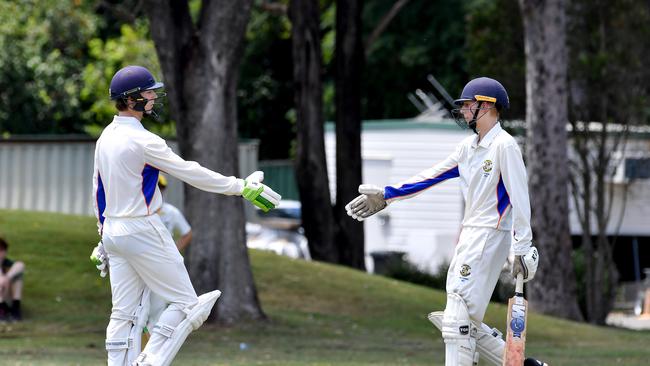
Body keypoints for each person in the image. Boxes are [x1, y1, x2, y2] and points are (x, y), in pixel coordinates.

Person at [345, 77, 547, 366]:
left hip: (491, 233)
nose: (464, 110)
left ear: (487, 106)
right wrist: (387, 196)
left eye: (468, 104)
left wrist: (523, 246)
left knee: (457, 316)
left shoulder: (505, 146)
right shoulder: (468, 148)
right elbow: (432, 175)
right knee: (462, 320)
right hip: (470, 233)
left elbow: (520, 198)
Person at [91, 65, 280, 366]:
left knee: (123, 312)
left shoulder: (106, 137)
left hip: (114, 232)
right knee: (188, 304)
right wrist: (240, 187)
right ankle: (150, 360)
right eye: (148, 92)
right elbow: (190, 172)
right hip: (142, 228)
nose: (153, 97)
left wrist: (103, 235)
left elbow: (98, 188)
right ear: (131, 99)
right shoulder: (144, 141)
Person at [156, 174, 192, 252]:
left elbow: (188, 233)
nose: (157, 191)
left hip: (162, 258)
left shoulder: (171, 211)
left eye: (160, 187)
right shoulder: (137, 210)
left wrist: (172, 252)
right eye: (154, 188)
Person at [0, 237, 25, 322]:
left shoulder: (8, 264)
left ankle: (15, 309)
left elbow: (20, 265)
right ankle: (2, 309)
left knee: (17, 277)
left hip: (6, 296)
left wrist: (7, 277)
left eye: (1, 250)